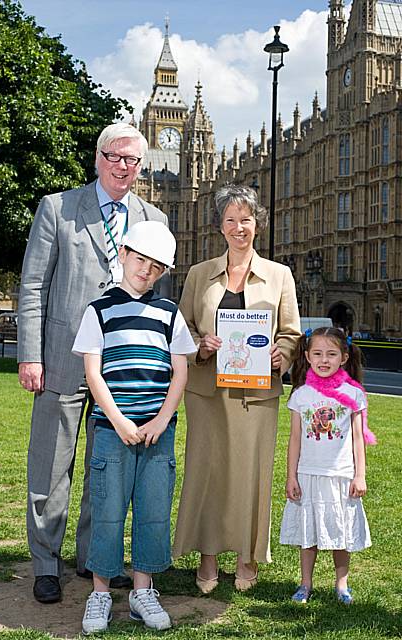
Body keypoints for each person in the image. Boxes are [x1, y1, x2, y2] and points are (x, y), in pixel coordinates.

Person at [18, 123, 170, 604]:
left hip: (123, 369)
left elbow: (159, 297)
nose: (124, 167)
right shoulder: (58, 208)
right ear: (98, 157)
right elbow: (32, 287)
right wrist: (30, 355)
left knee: (103, 467)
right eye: (115, 157)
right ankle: (46, 563)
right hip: (62, 359)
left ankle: (92, 559)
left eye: (133, 161)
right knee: (51, 464)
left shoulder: (153, 216)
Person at [172, 184, 301, 593]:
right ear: (220, 227)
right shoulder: (198, 275)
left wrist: (282, 353)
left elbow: (290, 332)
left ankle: (248, 557)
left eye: (245, 219)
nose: (238, 227)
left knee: (252, 475)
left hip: (258, 393)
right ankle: (208, 557)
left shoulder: (280, 276)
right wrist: (200, 346)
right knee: (207, 473)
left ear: (257, 225)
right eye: (230, 219)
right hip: (208, 392)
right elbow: (182, 329)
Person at [72, 221, 196, 634]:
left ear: (164, 272)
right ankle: (101, 594)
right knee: (107, 513)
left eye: (156, 266)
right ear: (123, 254)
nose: (146, 270)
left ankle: (143, 592)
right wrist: (119, 419)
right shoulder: (99, 311)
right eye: (140, 259)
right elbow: (94, 374)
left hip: (159, 432)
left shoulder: (169, 314)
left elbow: (180, 373)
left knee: (154, 512)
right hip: (112, 430)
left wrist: (162, 419)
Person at [280, 327, 376, 604]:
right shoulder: (301, 395)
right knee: (308, 533)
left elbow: (358, 439)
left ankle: (342, 584)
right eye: (318, 354)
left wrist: (360, 475)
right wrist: (291, 477)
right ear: (307, 356)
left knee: (340, 533)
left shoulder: (353, 395)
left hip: (341, 476)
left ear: (344, 357)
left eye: (331, 354)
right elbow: (295, 439)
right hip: (309, 474)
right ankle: (305, 584)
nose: (324, 360)